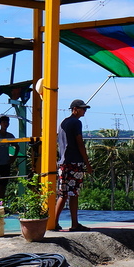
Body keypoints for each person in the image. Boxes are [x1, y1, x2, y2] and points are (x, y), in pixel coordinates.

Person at [54, 99, 92, 232]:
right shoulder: (76, 123)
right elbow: (80, 143)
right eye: (83, 109)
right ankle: (74, 223)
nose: (84, 111)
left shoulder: (63, 123)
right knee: (74, 193)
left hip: (63, 162)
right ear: (75, 109)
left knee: (63, 194)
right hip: (74, 162)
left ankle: (54, 222)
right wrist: (87, 163)